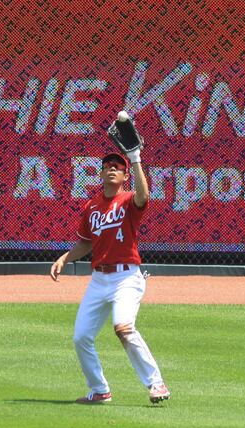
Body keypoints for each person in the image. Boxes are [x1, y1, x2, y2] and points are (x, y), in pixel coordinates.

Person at [50, 146, 170, 404]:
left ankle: (156, 383)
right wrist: (64, 258)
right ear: (101, 174)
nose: (112, 168)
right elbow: (86, 242)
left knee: (123, 328)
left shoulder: (128, 200)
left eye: (118, 167)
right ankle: (99, 390)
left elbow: (144, 194)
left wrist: (135, 159)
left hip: (126, 278)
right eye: (108, 166)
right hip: (99, 280)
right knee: (81, 337)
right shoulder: (91, 207)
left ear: (125, 176)